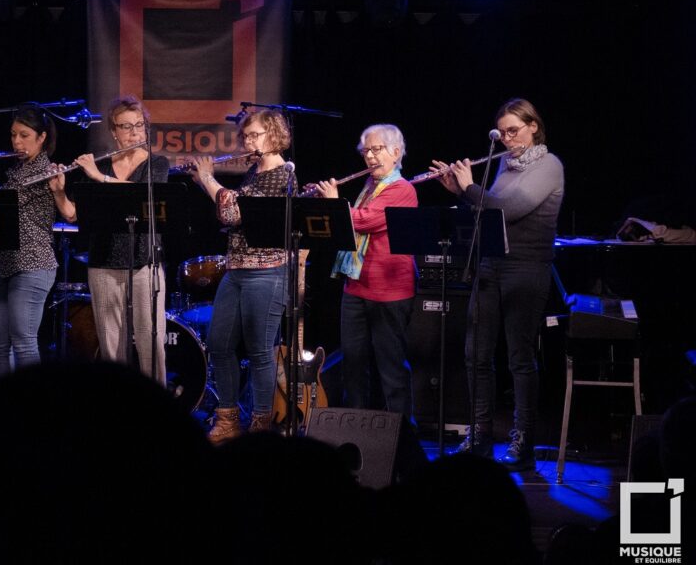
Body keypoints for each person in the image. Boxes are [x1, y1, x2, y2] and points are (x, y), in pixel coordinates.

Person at [430, 97, 564, 469]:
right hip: (491, 266)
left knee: (520, 358)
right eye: (502, 132)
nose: (507, 139)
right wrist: (461, 193)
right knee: (476, 355)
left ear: (533, 126)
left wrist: (469, 188)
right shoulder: (505, 164)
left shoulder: (550, 166)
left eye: (514, 131)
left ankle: (524, 440)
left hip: (527, 268)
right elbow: (486, 215)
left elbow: (507, 209)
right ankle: (480, 433)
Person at [190, 109, 294, 442]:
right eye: (245, 136)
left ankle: (261, 427)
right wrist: (208, 185)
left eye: (255, 135)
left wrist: (208, 179)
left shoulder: (285, 174)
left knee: (260, 351)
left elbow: (236, 214)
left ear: (274, 133)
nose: (248, 141)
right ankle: (228, 421)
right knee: (219, 345)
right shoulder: (252, 171)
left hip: (268, 272)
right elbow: (230, 214)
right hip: (236, 270)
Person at [54, 95, 170, 384]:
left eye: (139, 126)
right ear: (113, 131)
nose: (134, 133)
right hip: (104, 262)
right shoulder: (100, 165)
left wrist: (98, 178)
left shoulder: (157, 164)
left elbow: (142, 196)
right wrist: (58, 191)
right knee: (110, 346)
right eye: (126, 127)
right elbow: (72, 214)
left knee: (150, 342)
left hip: (145, 262)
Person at [313, 124, 418, 418]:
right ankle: (357, 426)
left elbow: (366, 221)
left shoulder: (402, 190)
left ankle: (401, 432)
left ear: (396, 153)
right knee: (353, 364)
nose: (370, 157)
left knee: (390, 365)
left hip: (389, 291)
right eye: (366, 151)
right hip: (356, 288)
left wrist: (334, 204)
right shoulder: (370, 187)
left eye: (377, 149)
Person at [0, 105, 75, 379]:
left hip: (34, 265)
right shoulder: (16, 171)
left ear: (42, 138)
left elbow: (7, 207)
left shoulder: (44, 171)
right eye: (14, 135)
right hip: (6, 264)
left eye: (24, 135)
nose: (16, 142)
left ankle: (31, 409)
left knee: (24, 343)